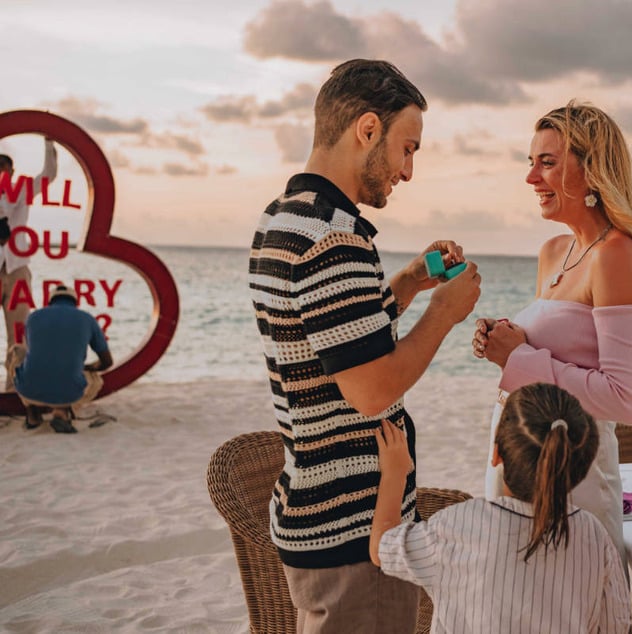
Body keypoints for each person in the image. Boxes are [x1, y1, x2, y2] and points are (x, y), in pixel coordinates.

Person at [248, 59, 481, 634]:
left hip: (314, 508)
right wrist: (443, 315)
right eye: (408, 148)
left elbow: (330, 339)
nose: (407, 171)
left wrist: (405, 283)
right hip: (353, 531)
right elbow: (371, 388)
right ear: (368, 130)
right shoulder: (335, 239)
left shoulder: (282, 219)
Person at [471, 101, 632, 558]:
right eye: (531, 163)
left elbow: (625, 400)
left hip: (574, 485)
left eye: (547, 163)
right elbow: (563, 351)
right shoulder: (554, 251)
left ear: (593, 170)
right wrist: (508, 337)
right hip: (519, 468)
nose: (531, 178)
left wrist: (517, 358)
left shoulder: (618, 256)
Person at [370, 382, 631, 633]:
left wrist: (395, 474)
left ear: (496, 454)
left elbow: (383, 549)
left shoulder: (458, 527)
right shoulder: (594, 536)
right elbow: (616, 625)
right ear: (577, 470)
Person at [10, 284, 112, 433]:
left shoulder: (33, 317)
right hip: (70, 393)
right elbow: (107, 362)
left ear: (50, 302)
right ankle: (62, 411)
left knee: (17, 352)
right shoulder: (87, 318)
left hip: (29, 390)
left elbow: (34, 354)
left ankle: (33, 412)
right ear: (75, 302)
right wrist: (89, 368)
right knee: (96, 380)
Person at [0, 137, 58, 390]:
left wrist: (49, 142)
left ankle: (14, 388)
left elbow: (48, 175)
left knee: (18, 334)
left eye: (4, 166)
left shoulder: (22, 191)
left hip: (16, 268)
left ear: (11, 172)